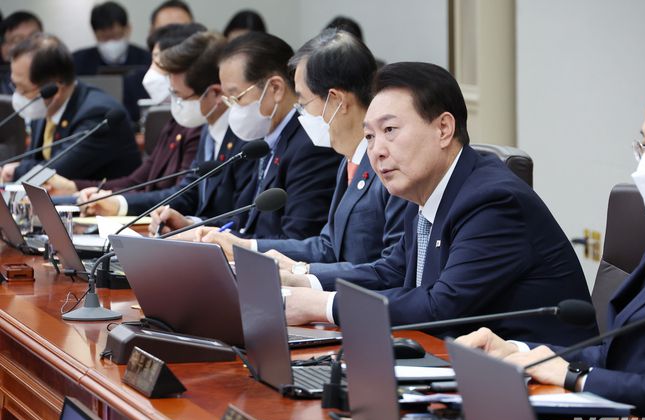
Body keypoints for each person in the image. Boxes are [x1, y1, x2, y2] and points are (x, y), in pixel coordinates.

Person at [457, 71, 645, 420]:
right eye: (642, 145)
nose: (644, 163)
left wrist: (576, 378)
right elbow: (617, 356)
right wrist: (518, 350)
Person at [282, 62, 596, 344]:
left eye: (390, 130)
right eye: (370, 137)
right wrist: (306, 281)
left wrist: (324, 305)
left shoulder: (493, 202)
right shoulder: (423, 188)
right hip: (452, 360)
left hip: (536, 375)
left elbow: (441, 306)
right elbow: (391, 272)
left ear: (443, 129)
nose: (376, 151)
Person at [198, 29, 407, 280]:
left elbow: (392, 270)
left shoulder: (390, 165)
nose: (300, 114)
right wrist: (247, 247)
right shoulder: (349, 160)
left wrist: (303, 274)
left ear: (337, 100)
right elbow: (327, 246)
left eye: (304, 103)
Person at [151, 32, 341, 239]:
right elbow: (244, 221)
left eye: (236, 97)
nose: (231, 108)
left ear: (275, 88)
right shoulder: (265, 140)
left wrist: (222, 241)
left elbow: (296, 240)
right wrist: (191, 226)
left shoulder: (309, 146)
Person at [45, 23, 206, 208]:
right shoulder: (176, 121)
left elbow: (182, 196)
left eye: (158, 62)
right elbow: (136, 181)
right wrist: (75, 188)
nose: (151, 72)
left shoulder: (197, 123)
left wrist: (117, 204)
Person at [2, 33, 140, 182]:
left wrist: (16, 170)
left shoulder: (98, 114)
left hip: (106, 195)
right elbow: (33, 160)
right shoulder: (44, 107)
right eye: (15, 86)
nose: (17, 94)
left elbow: (55, 173)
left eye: (23, 89)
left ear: (54, 89)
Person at [72, 2, 152, 123]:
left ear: (128, 29)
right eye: (104, 38)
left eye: (116, 37)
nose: (110, 43)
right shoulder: (77, 62)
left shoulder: (147, 60)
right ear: (95, 34)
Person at [0, 11, 43, 94]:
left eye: (35, 36)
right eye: (18, 40)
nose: (29, 43)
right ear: (4, 50)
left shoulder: (63, 76)